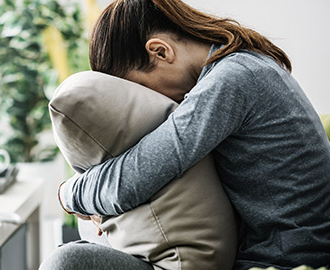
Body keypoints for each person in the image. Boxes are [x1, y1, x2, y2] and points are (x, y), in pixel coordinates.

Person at [40, 0, 330, 269]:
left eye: (142, 89)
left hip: (280, 262)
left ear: (160, 51)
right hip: (269, 253)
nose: (151, 101)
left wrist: (68, 194)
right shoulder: (247, 65)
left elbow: (133, 179)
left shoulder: (232, 79)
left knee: (69, 261)